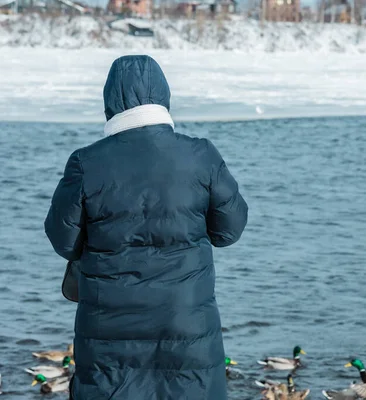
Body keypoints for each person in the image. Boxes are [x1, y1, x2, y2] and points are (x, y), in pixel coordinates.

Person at [44, 55, 248, 400]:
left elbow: (64, 240)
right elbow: (229, 230)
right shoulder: (201, 155)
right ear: (164, 96)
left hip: (108, 326)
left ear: (110, 102)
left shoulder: (86, 162)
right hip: (185, 321)